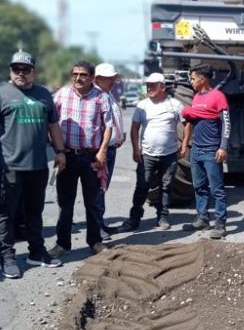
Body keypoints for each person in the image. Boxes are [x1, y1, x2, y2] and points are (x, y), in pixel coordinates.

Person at [0, 50, 66, 278]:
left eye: (25, 69)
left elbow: (54, 126)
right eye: (16, 69)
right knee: (7, 213)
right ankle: (7, 257)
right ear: (10, 71)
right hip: (10, 166)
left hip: (38, 165)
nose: (20, 73)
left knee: (35, 212)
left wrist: (60, 151)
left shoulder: (44, 95)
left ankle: (36, 252)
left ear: (33, 72)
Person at [49, 61, 112, 258]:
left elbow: (108, 126)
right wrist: (57, 150)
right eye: (75, 74)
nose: (78, 78)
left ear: (92, 78)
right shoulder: (61, 94)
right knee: (65, 203)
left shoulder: (101, 97)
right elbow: (51, 123)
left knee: (92, 203)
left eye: (83, 75)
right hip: (67, 157)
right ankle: (62, 244)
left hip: (91, 158)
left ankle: (94, 241)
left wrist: (102, 152)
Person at [118, 72, 183, 233]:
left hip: (169, 154)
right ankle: (134, 218)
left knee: (166, 186)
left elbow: (186, 124)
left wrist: (184, 143)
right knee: (142, 185)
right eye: (148, 85)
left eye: (153, 85)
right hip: (147, 154)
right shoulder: (142, 105)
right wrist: (135, 148)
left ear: (163, 87)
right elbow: (134, 128)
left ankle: (162, 216)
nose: (149, 88)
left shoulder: (175, 104)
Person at [181, 64, 230, 239]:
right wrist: (186, 143)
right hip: (197, 150)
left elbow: (226, 122)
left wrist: (223, 146)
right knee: (199, 187)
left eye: (193, 78)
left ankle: (220, 224)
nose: (191, 81)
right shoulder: (196, 97)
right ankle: (202, 218)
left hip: (212, 151)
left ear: (203, 79)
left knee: (216, 189)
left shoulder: (218, 96)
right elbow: (192, 120)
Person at [92, 63, 125, 240]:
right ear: (98, 79)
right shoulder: (97, 96)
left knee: (102, 188)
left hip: (110, 148)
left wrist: (120, 137)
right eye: (108, 78)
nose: (112, 81)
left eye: (113, 78)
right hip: (101, 150)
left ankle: (100, 224)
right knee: (98, 189)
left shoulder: (108, 94)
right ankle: (97, 228)